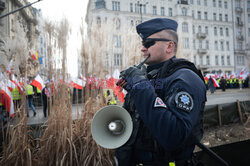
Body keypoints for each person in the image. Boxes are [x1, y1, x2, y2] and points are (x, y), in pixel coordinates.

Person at [115, 18, 207, 166]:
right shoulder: (148, 78)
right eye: (142, 44)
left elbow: (174, 136)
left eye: (148, 43)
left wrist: (139, 85)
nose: (142, 49)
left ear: (169, 46)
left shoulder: (186, 78)